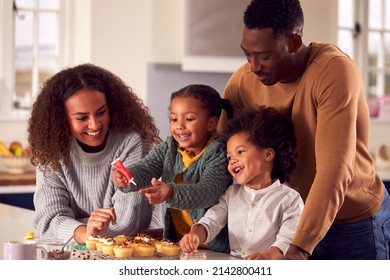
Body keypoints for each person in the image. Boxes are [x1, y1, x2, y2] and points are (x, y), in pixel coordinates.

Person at [217, 0, 390, 260]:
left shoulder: (333, 71)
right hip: (289, 222)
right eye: (247, 54)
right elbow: (216, 154)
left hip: (351, 221)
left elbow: (334, 171)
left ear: (295, 42)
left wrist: (297, 250)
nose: (254, 66)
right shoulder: (243, 82)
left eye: (264, 56)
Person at [28, 63, 163, 244]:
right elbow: (48, 221)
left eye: (101, 112)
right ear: (62, 118)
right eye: (82, 118)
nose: (95, 125)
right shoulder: (51, 148)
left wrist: (73, 228)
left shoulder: (133, 143)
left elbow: (128, 224)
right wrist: (86, 232)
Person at [112, 84, 234, 253]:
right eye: (174, 119)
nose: (180, 126)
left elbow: (207, 192)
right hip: (180, 243)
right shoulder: (169, 147)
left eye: (189, 119)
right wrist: (127, 177)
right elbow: (147, 167)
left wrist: (170, 193)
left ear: (211, 123)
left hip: (216, 247)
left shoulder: (218, 152)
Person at [180, 106, 304, 259]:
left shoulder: (289, 199)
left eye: (240, 152)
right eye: (230, 157)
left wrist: (269, 256)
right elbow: (211, 221)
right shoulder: (232, 194)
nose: (233, 161)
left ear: (268, 154)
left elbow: (288, 237)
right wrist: (195, 235)